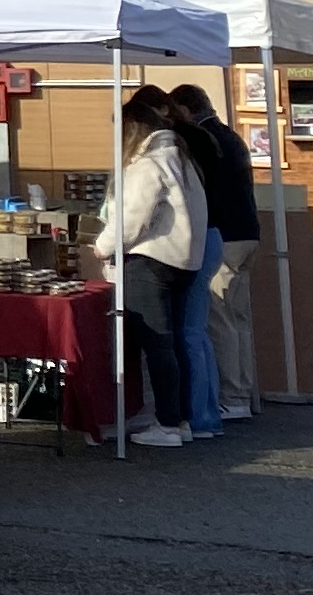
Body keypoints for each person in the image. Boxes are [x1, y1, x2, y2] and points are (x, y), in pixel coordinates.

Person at [108, 88, 209, 450]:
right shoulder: (180, 158)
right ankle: (179, 419)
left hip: (150, 262)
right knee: (173, 344)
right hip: (184, 261)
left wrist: (103, 246)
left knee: (157, 345)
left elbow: (131, 219)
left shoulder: (148, 164)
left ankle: (167, 423)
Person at [170, 81, 260, 433]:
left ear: (185, 110)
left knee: (220, 320)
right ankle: (245, 393)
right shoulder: (230, 136)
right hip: (247, 233)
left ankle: (232, 396)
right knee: (239, 319)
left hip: (224, 235)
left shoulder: (204, 139)